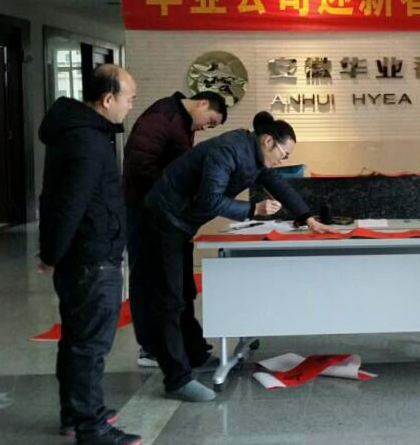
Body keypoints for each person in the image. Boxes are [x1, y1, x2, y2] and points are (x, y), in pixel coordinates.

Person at [135, 111, 338, 402]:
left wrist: (307, 218)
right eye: (283, 154)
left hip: (180, 223)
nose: (282, 160)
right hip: (162, 219)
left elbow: (278, 184)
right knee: (169, 299)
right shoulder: (227, 151)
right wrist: (252, 210)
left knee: (185, 292)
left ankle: (195, 356)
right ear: (268, 141)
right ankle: (176, 379)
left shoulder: (255, 156)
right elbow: (211, 200)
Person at [38, 64, 142, 445]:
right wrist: (51, 252)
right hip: (92, 257)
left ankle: (75, 414)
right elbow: (70, 202)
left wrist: (52, 251)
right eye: (129, 98)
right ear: (108, 99)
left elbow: (56, 197)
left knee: (76, 339)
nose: (131, 105)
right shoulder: (87, 140)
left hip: (83, 255)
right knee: (90, 346)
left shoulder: (78, 132)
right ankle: (91, 427)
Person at [123, 90, 228, 369]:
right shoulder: (163, 117)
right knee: (150, 280)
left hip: (167, 214)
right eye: (210, 120)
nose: (207, 127)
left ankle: (182, 346)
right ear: (202, 103)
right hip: (147, 212)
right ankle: (151, 348)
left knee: (176, 285)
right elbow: (140, 166)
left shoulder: (180, 122)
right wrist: (171, 195)